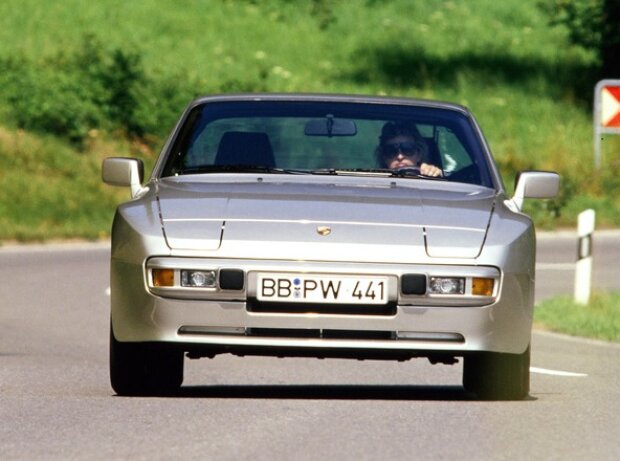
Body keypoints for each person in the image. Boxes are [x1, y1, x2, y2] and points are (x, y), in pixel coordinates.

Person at [376, 121, 442, 177]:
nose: (400, 156)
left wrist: (434, 174)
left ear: (419, 155)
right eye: (391, 150)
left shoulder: (429, 179)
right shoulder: (374, 182)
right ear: (384, 158)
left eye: (407, 149)